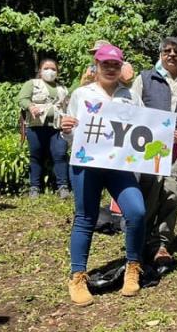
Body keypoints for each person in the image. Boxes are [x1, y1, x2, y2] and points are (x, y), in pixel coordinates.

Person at [60, 45, 146, 306]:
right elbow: (69, 131)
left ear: (122, 68)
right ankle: (77, 277)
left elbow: (144, 126)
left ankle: (133, 268)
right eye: (105, 63)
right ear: (96, 65)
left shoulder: (130, 96)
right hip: (87, 165)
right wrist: (65, 129)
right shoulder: (81, 94)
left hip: (119, 166)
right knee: (85, 218)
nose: (110, 68)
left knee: (137, 211)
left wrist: (167, 135)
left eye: (115, 64)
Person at [130, 37, 177, 267]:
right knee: (148, 195)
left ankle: (162, 244)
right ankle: (140, 240)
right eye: (167, 50)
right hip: (150, 149)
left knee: (173, 197)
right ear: (160, 54)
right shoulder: (145, 79)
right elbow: (130, 111)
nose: (172, 54)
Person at [17, 58, 70, 199]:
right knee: (36, 157)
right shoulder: (32, 84)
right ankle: (34, 187)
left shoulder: (62, 88)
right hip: (36, 127)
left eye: (53, 69)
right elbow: (22, 99)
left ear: (57, 72)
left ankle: (63, 187)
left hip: (57, 128)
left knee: (60, 155)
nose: (50, 71)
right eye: (46, 68)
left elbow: (68, 106)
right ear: (40, 71)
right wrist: (31, 106)